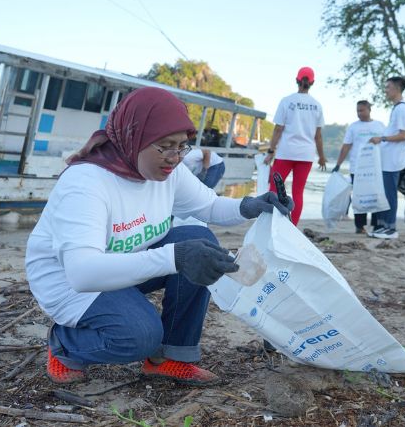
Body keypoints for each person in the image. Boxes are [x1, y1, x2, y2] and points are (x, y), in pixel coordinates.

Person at [25, 87, 293, 386]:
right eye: (164, 146)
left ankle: (169, 357)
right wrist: (175, 257)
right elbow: (82, 274)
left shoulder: (167, 171)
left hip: (122, 263)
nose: (175, 158)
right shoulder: (86, 183)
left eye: (182, 147)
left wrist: (252, 206)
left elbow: (210, 206)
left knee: (197, 236)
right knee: (140, 334)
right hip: (70, 283)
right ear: (132, 137)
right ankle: (65, 344)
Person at [264, 66, 326, 225]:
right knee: (298, 191)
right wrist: (322, 157)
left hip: (286, 152)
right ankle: (292, 227)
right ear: (312, 82)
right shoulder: (317, 105)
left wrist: (271, 151)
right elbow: (318, 136)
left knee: (274, 188)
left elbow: (278, 129)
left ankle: (271, 222)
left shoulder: (287, 101)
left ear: (297, 80)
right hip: (306, 155)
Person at [368, 77, 405, 239]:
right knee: (385, 193)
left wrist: (382, 139)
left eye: (388, 87)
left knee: (390, 193)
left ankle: (391, 229)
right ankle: (384, 226)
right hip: (388, 160)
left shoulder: (402, 109)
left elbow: (403, 135)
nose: (385, 90)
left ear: (397, 89)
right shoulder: (396, 109)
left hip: (394, 161)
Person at [332, 100, 385, 233]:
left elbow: (386, 145)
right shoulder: (353, 127)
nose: (359, 113)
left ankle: (376, 224)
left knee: (375, 195)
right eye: (357, 111)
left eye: (362, 110)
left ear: (369, 110)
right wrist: (338, 164)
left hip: (375, 169)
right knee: (359, 196)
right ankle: (359, 226)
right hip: (357, 168)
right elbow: (346, 146)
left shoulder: (379, 126)